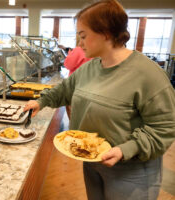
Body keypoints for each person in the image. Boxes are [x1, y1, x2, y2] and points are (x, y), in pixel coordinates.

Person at [23, 0, 175, 200]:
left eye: (83, 36)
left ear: (106, 33)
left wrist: (126, 149)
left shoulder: (148, 74)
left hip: (131, 172)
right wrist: (40, 102)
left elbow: (164, 127)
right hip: (92, 163)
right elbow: (64, 91)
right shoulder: (89, 68)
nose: (79, 43)